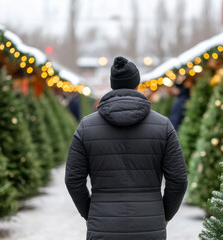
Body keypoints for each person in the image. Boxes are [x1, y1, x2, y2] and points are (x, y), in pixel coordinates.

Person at [65, 56, 188, 240]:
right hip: (150, 225)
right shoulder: (163, 126)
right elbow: (178, 180)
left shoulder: (86, 127)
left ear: (113, 85)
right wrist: (165, 215)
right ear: (137, 84)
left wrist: (89, 213)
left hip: (103, 225)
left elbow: (73, 179)